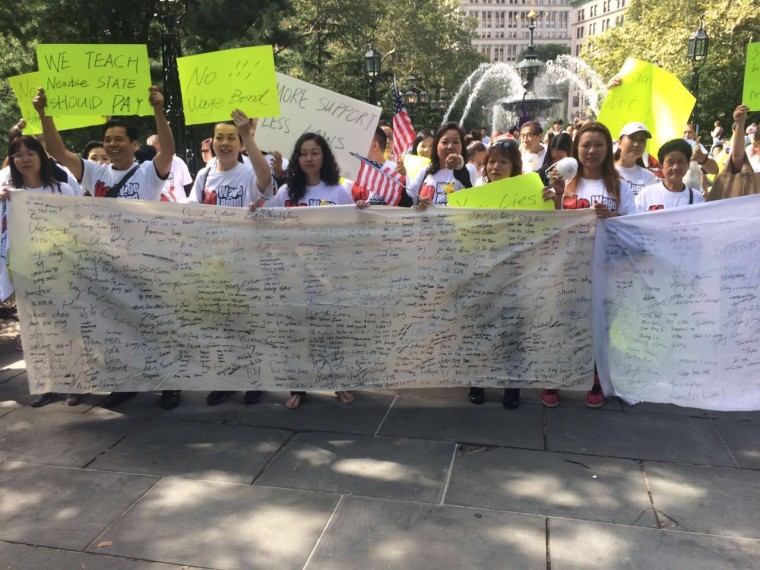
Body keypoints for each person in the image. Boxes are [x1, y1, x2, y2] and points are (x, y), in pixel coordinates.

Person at [32, 85, 182, 411]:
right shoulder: (94, 172)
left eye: (119, 139)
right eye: (107, 140)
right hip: (109, 265)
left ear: (133, 145)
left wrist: (159, 110)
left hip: (146, 263)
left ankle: (169, 384)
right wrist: (44, 115)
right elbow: (59, 152)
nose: (112, 145)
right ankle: (129, 383)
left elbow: (168, 150)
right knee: (118, 325)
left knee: (153, 324)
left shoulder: (148, 173)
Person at [257, 133, 365, 408]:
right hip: (293, 275)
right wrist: (253, 210)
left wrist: (362, 211)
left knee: (330, 332)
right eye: (303, 153)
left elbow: (351, 227)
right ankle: (298, 389)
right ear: (297, 158)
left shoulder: (338, 191)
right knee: (298, 332)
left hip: (329, 275)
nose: (309, 158)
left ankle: (338, 384)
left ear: (324, 157)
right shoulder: (286, 193)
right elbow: (266, 218)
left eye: (315, 152)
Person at [543, 121, 636, 409]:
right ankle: (556, 376)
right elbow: (550, 227)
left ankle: (594, 376)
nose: (591, 150)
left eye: (598, 144)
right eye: (585, 145)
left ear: (609, 148)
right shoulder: (565, 181)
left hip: (604, 268)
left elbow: (635, 230)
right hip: (567, 268)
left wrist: (612, 218)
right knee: (562, 322)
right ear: (576, 149)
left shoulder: (620, 186)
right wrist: (554, 197)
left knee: (599, 325)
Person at [188, 111, 273, 406]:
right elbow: (191, 213)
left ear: (240, 143)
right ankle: (227, 379)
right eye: (219, 138)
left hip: (246, 263)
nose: (224, 143)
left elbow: (265, 179)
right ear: (212, 142)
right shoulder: (205, 174)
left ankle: (256, 379)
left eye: (231, 138)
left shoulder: (249, 171)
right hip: (215, 266)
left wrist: (249, 135)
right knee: (222, 325)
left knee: (249, 323)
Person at [468, 137, 555, 410]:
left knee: (513, 332)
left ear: (514, 165)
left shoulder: (530, 192)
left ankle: (511, 385)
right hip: (482, 274)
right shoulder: (474, 194)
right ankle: (476, 381)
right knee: (480, 328)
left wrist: (553, 199)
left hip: (517, 275)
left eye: (503, 162)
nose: (495, 166)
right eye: (491, 161)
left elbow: (547, 226)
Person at [0, 136, 79, 407]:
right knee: (35, 329)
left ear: (42, 157)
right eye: (18, 155)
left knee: (67, 327)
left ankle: (74, 382)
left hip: (60, 269)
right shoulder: (7, 193)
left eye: (30, 153)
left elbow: (77, 227)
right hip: (25, 270)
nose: (24, 159)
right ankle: (46, 383)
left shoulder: (62, 190)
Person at [406, 122, 475, 205]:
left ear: (462, 146)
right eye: (445, 142)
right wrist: (401, 178)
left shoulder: (470, 169)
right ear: (436, 146)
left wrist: (459, 165)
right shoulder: (424, 172)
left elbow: (465, 179)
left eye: (455, 142)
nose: (450, 146)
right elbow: (407, 200)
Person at [635, 138, 705, 212]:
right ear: (661, 166)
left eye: (680, 162)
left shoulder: (696, 197)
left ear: (688, 165)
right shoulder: (646, 194)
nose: (676, 167)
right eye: (670, 162)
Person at [613, 123, 657, 197]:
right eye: (632, 138)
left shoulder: (648, 177)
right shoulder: (604, 172)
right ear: (619, 142)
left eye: (642, 140)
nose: (637, 144)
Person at [147, 133, 191, 203]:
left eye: (160, 150)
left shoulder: (178, 161)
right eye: (154, 151)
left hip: (181, 206)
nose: (159, 154)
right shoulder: (147, 167)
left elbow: (187, 185)